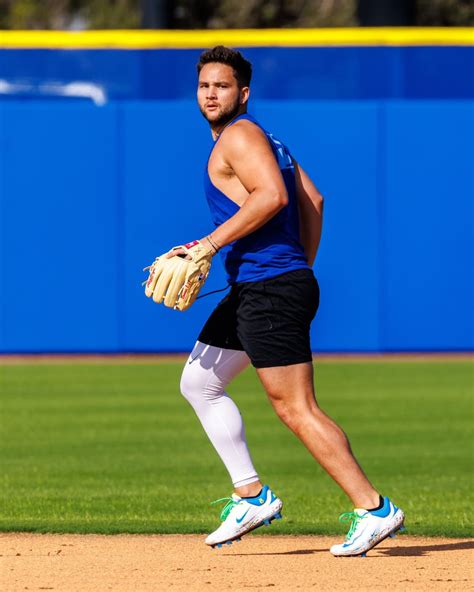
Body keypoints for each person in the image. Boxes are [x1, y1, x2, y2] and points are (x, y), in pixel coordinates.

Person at [176, 46, 404, 556]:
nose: (211, 94)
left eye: (222, 85)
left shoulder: (239, 136)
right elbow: (313, 200)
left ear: (243, 93)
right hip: (261, 285)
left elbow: (274, 197)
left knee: (295, 407)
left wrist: (208, 246)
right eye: (204, 85)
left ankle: (373, 508)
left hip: (270, 288)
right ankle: (250, 496)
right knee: (200, 382)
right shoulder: (267, 140)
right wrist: (300, 264)